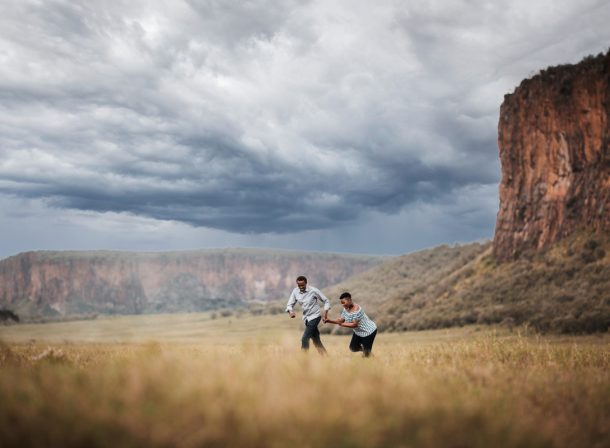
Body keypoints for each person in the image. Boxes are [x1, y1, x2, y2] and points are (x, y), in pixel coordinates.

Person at [286, 275, 330, 354]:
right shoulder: (295, 291)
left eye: (302, 285)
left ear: (306, 283)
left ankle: (304, 359)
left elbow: (326, 300)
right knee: (316, 340)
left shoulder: (313, 290)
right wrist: (291, 312)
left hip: (315, 316)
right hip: (306, 318)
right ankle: (326, 358)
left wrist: (325, 313)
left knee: (304, 339)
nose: (301, 287)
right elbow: (289, 304)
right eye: (299, 285)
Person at [324, 292, 377, 357]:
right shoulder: (345, 309)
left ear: (349, 300)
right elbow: (341, 320)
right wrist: (329, 321)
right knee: (353, 347)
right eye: (341, 303)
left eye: (343, 302)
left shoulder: (357, 310)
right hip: (358, 332)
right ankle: (367, 352)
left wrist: (342, 324)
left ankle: (367, 354)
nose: (342, 305)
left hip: (369, 332)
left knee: (366, 356)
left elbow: (354, 324)